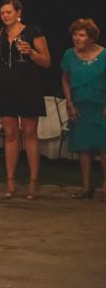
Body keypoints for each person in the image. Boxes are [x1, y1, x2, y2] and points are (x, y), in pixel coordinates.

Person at [0, 0, 50, 199]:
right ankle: (11, 182)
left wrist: (31, 52)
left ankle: (33, 182)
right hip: (6, 88)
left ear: (18, 12)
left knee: (29, 133)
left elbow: (46, 61)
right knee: (10, 134)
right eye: (2, 13)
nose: (5, 16)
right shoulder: (0, 32)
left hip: (28, 86)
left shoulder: (33, 31)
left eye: (9, 12)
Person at [60, 18, 105, 201]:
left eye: (81, 35)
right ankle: (86, 187)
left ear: (91, 38)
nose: (76, 38)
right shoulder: (69, 55)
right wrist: (69, 103)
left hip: (101, 107)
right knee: (83, 146)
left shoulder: (104, 55)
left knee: (104, 147)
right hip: (79, 106)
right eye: (75, 34)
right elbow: (65, 79)